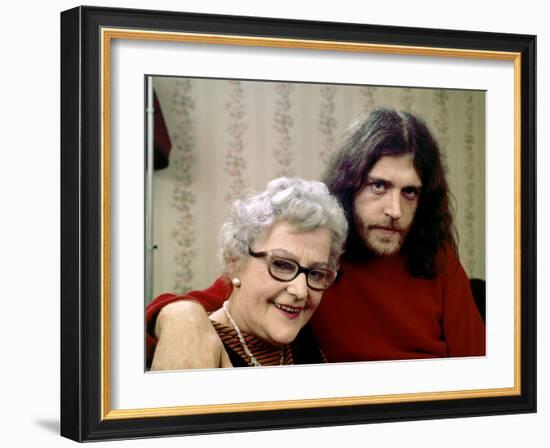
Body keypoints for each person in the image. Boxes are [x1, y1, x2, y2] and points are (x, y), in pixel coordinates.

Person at [147, 108, 485, 369]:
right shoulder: (317, 256)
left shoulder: (437, 256)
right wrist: (181, 317)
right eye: (379, 186)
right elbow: (240, 292)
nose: (394, 209)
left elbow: (481, 363)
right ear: (350, 184)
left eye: (409, 192)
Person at [150, 177, 348, 369]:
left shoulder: (305, 341)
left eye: (315, 273)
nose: (301, 291)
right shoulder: (192, 351)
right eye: (282, 265)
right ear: (235, 261)